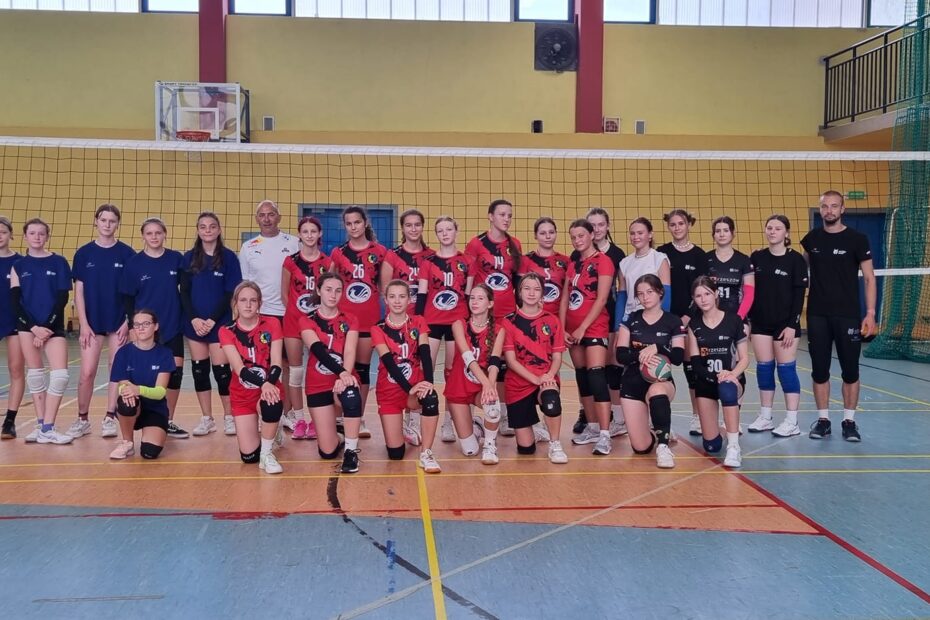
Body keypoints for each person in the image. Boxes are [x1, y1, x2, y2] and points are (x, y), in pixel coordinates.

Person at [801, 190, 876, 442]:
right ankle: (823, 421)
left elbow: (869, 278)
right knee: (819, 371)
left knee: (850, 371)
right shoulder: (811, 239)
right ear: (820, 209)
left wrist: (870, 313)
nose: (829, 210)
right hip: (817, 316)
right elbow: (799, 268)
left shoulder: (857, 239)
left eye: (834, 206)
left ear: (842, 209)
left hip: (848, 316)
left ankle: (849, 422)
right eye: (825, 206)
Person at [68, 204, 136, 440]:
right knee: (87, 372)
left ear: (118, 224)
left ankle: (110, 417)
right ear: (96, 221)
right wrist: (83, 324)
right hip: (92, 322)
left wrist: (128, 322)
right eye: (103, 220)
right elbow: (79, 291)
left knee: (116, 370)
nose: (107, 224)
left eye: (112, 221)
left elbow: (133, 292)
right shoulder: (84, 253)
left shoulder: (127, 254)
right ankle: (82, 419)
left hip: (119, 322)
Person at [121, 218, 188, 438]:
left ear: (165, 234)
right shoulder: (134, 263)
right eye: (149, 233)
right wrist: (132, 326)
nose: (154, 237)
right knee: (144, 376)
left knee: (174, 376)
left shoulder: (176, 259)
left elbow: (186, 289)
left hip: (172, 324)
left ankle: (167, 420)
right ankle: (141, 418)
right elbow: (128, 298)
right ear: (143, 236)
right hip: (144, 330)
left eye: (158, 232)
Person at [10, 218, 73, 444]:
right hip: (28, 326)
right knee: (35, 374)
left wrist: (46, 327)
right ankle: (41, 426)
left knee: (60, 376)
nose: (37, 237)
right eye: (32, 233)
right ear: (25, 236)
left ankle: (48, 427)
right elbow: (16, 302)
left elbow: (62, 298)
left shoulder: (59, 262)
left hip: (52, 326)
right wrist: (34, 328)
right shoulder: (18, 266)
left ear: (47, 236)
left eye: (41, 233)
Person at [238, 200, 299, 428]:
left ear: (279, 217)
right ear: (257, 219)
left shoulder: (293, 243)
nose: (266, 219)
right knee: (263, 365)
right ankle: (267, 410)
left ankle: (289, 412)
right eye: (262, 215)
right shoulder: (249, 247)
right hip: (261, 315)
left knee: (288, 365)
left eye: (271, 214)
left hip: (288, 313)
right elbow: (246, 284)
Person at [180, 211, 241, 438]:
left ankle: (229, 417)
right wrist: (194, 319)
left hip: (220, 323)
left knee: (223, 372)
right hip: (194, 324)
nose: (207, 230)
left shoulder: (229, 258)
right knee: (199, 371)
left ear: (219, 230)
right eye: (203, 227)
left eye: (212, 226)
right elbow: (184, 292)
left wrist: (212, 320)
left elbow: (230, 293)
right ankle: (207, 418)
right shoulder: (188, 258)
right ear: (198, 230)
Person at [616, 275, 687, 468]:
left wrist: (658, 348)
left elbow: (678, 357)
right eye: (640, 294)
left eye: (649, 292)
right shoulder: (631, 319)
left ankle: (663, 446)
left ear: (660, 292)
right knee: (641, 447)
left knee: (657, 393)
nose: (645, 297)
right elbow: (621, 355)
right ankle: (657, 430)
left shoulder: (673, 321)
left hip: (660, 381)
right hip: (632, 382)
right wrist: (641, 354)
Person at [412, 216, 472, 447]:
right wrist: (418, 322)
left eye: (449, 229)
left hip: (457, 321)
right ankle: (417, 419)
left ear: (456, 231)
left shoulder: (467, 261)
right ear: (436, 234)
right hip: (432, 321)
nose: (445, 233)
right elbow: (422, 294)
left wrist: (469, 323)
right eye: (440, 230)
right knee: (424, 369)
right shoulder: (428, 262)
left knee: (452, 372)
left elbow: (468, 295)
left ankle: (449, 421)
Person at [330, 205, 388, 440]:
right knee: (340, 368)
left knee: (362, 370)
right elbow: (329, 283)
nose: (353, 227)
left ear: (365, 223)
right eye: (349, 223)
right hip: (343, 321)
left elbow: (385, 287)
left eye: (357, 222)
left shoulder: (380, 252)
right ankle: (337, 417)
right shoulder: (338, 253)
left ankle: (359, 417)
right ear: (345, 226)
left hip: (368, 319)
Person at [747, 215, 808, 437]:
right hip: (760, 323)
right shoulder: (757, 257)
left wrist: (793, 324)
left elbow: (799, 295)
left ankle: (792, 421)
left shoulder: (796, 260)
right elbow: (749, 290)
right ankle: (766, 417)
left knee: (786, 370)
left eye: (778, 228)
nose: (773, 231)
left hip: (785, 325)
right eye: (769, 228)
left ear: (786, 233)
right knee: (764, 369)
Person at [466, 199, 522, 436]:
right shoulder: (476, 244)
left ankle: (504, 413)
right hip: (484, 315)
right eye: (502, 214)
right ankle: (470, 417)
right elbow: (469, 281)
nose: (506, 219)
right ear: (490, 216)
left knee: (505, 365)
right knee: (478, 363)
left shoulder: (514, 244)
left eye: (509, 215)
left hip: (508, 314)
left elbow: (517, 281)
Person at [371, 280, 441, 472]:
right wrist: (409, 388)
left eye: (402, 296)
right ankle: (403, 429)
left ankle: (426, 453)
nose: (397, 301)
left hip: (414, 390)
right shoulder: (378, 328)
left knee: (431, 397)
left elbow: (425, 354)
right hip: (389, 392)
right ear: (385, 300)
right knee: (396, 454)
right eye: (392, 296)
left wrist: (428, 383)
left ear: (409, 299)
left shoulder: (418, 322)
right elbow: (389, 363)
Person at [219, 282, 286, 474]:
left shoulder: (272, 324)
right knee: (249, 457)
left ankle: (267, 454)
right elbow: (239, 369)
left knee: (271, 404)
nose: (248, 305)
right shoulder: (226, 331)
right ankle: (273, 428)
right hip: (242, 395)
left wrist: (269, 384)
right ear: (235, 303)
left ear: (259, 303)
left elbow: (276, 363)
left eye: (253, 300)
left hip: (269, 389)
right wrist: (264, 384)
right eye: (243, 300)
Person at [501, 273, 568, 464]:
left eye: (537, 289)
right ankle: (535, 431)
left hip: (546, 378)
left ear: (542, 294)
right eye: (527, 288)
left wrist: (548, 376)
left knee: (551, 398)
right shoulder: (509, 321)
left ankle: (555, 444)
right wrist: (536, 379)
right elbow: (511, 361)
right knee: (526, 449)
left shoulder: (552, 320)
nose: (531, 293)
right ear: (519, 292)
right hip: (518, 383)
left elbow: (557, 357)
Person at [561, 220, 616, 455]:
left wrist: (583, 327)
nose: (577, 240)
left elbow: (602, 298)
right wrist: (562, 328)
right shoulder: (574, 264)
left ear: (592, 235)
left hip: (594, 328)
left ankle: (605, 434)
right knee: (582, 377)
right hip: (572, 330)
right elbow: (565, 298)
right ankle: (592, 428)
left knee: (596, 376)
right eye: (573, 237)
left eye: (581, 235)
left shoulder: (603, 261)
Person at [300, 273, 362, 473]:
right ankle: (340, 437)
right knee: (327, 452)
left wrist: (345, 376)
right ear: (319, 291)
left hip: (343, 380)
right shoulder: (306, 320)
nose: (333, 295)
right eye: (328, 290)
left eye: (338, 290)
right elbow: (318, 350)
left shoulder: (350, 319)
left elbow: (350, 351)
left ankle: (351, 452)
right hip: (317, 383)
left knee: (351, 396)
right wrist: (342, 373)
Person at [574, 207, 627, 437]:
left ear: (608, 226)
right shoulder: (578, 253)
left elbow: (621, 289)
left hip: (609, 315)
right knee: (586, 371)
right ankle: (587, 414)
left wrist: (620, 322)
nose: (596, 229)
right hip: (584, 318)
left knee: (610, 368)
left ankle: (617, 417)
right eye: (592, 225)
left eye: (600, 224)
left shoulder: (616, 254)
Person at [687, 276, 750, 468]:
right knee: (712, 446)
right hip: (706, 382)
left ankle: (733, 447)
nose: (703, 299)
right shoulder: (694, 325)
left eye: (707, 294)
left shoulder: (734, 320)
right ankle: (725, 430)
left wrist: (731, 374)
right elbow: (696, 364)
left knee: (727, 388)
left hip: (731, 380)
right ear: (694, 299)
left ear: (716, 294)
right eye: (698, 296)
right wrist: (715, 376)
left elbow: (744, 359)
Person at [281, 215, 332, 440]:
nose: (309, 235)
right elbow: (284, 293)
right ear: (299, 235)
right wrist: (296, 314)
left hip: (318, 323)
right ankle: (299, 419)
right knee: (296, 370)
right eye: (305, 231)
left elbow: (329, 292)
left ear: (319, 234)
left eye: (313, 231)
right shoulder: (290, 261)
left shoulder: (327, 262)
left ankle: (317, 418)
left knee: (319, 369)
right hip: (293, 321)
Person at [657, 209, 706, 437]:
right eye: (673, 224)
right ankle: (660, 420)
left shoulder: (699, 255)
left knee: (691, 371)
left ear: (689, 225)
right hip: (665, 320)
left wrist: (687, 316)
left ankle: (697, 417)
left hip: (690, 320)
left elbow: (701, 289)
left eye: (681, 223)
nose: (677, 228)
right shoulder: (662, 253)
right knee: (660, 370)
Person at [520, 217, 569, 443]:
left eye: (551, 232)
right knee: (527, 366)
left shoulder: (565, 261)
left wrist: (563, 325)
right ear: (535, 236)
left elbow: (566, 296)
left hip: (553, 325)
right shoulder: (526, 260)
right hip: (530, 322)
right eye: (543, 232)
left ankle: (549, 416)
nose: (547, 236)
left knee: (551, 369)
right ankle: (532, 421)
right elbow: (519, 290)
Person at [447, 284, 505, 464]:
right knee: (470, 450)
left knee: (493, 405)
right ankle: (478, 426)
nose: (475, 302)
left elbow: (494, 362)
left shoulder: (499, 329)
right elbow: (467, 357)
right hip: (459, 387)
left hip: (481, 388)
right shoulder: (459, 324)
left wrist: (490, 386)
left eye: (480, 298)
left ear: (490, 304)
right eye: (472, 298)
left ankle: (489, 445)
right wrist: (487, 383)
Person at [107, 310, 175, 460]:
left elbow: (160, 392)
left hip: (155, 409)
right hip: (134, 405)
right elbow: (122, 383)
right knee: (126, 401)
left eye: (146, 324)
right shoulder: (123, 353)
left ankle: (153, 431)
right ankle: (127, 443)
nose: (141, 328)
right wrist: (129, 391)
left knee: (149, 453)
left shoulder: (165, 354)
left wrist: (138, 389)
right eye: (137, 325)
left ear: (155, 326)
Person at [0, 216, 25, 440]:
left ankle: (9, 421)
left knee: (16, 369)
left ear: (11, 235)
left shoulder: (20, 262)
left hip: (15, 322)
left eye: (3, 232)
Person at [704, 216, 754, 319]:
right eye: (718, 231)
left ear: (733, 233)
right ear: (713, 235)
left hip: (736, 316)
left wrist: (739, 319)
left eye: (726, 230)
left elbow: (749, 295)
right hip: (709, 317)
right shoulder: (705, 258)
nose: (722, 234)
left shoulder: (743, 260)